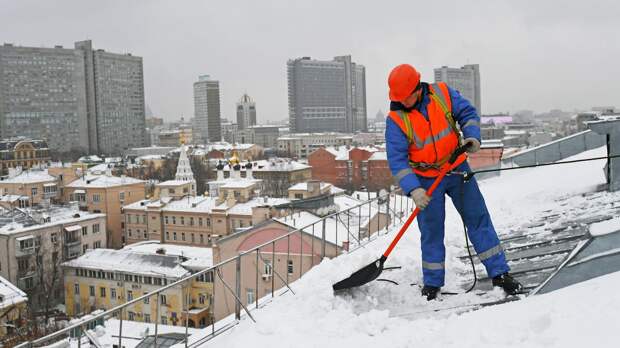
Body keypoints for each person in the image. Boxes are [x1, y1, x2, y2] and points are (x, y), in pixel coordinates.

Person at [385, 64, 522, 300]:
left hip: (457, 168)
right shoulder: (396, 119)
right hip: (426, 180)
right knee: (431, 231)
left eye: (406, 97)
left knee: (478, 219)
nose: (403, 102)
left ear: (417, 89)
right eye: (399, 98)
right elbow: (397, 160)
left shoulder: (442, 94)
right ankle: (432, 284)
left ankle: (500, 273)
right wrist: (414, 189)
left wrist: (472, 137)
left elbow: (467, 114)